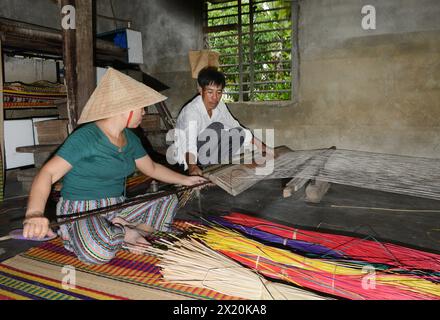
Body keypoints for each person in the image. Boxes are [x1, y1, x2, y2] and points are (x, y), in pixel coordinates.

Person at [22, 68, 206, 265]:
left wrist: (187, 179)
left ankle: (120, 230)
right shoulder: (87, 137)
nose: (144, 112)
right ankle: (125, 233)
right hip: (82, 211)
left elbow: (151, 168)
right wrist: (34, 214)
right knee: (96, 251)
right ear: (124, 107)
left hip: (117, 208)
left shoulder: (130, 138)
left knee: (167, 198)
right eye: (141, 107)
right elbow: (48, 174)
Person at [170, 67, 273, 176]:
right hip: (187, 159)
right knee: (217, 127)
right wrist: (193, 167)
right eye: (210, 92)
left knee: (239, 133)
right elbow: (189, 144)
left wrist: (263, 147)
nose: (215, 97)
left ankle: (216, 166)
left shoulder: (220, 106)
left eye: (219, 92)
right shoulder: (191, 112)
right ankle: (206, 167)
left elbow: (235, 125)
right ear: (201, 90)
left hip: (207, 153)